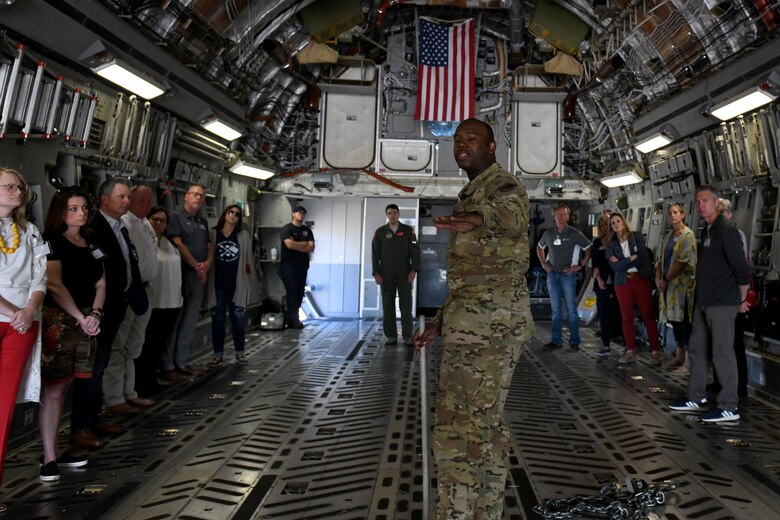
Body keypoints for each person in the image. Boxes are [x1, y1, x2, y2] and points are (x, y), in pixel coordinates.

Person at [414, 118, 534, 520]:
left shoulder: (503, 187)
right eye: (458, 139)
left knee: (461, 430)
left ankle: (457, 513)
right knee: (483, 426)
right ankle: (484, 510)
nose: (462, 144)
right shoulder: (471, 193)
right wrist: (439, 322)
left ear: (492, 146)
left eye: (472, 139)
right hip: (471, 324)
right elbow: (470, 280)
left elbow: (511, 215)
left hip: (491, 330)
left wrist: (478, 218)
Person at [70, 178, 148, 449]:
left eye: (128, 197)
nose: (127, 201)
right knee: (91, 368)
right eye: (122, 197)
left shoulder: (120, 227)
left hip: (117, 305)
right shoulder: (95, 229)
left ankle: (94, 418)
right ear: (104, 200)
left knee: (100, 366)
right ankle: (81, 426)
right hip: (97, 310)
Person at [669, 186, 750, 422]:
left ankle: (729, 406)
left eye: (705, 201)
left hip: (722, 303)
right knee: (697, 349)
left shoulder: (726, 230)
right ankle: (697, 396)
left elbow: (741, 269)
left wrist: (742, 299)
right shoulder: (707, 230)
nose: (701, 205)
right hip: (704, 302)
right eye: (698, 201)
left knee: (722, 352)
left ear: (716, 203)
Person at [39, 186, 103, 481]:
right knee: (53, 388)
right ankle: (49, 459)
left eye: (84, 208)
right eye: (73, 209)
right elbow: (54, 284)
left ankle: (55, 449)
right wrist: (81, 316)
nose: (81, 213)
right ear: (60, 212)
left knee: (66, 388)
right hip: (60, 320)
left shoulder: (90, 241)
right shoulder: (50, 241)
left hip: (87, 321)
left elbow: (102, 281)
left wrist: (95, 315)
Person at [0, 167, 47, 496]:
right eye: (9, 187)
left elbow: (40, 276)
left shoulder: (30, 232)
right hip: (10, 316)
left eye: (19, 187)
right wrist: (14, 311)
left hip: (22, 326)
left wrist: (28, 310)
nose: (17, 191)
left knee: (3, 409)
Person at [102, 185, 158, 415]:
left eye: (148, 202)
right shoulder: (123, 223)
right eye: (139, 200)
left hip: (144, 289)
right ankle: (114, 398)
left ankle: (129, 392)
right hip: (127, 290)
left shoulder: (145, 225)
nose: (144, 205)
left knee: (134, 345)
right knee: (118, 345)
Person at [163, 184, 211, 378]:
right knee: (175, 322)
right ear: (185, 197)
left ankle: (182, 362)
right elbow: (177, 243)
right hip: (181, 275)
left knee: (190, 321)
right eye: (194, 194)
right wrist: (195, 265)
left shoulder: (202, 221)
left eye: (201, 195)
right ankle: (167, 366)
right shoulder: (175, 217)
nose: (198, 198)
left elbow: (209, 246)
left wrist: (206, 264)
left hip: (199, 276)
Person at [135, 207, 183, 394]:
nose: (158, 223)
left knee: (159, 344)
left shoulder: (169, 244)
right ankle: (141, 384)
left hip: (171, 303)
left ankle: (152, 379)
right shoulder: (145, 242)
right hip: (154, 302)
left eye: (163, 220)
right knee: (147, 344)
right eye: (155, 219)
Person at [607, 212, 662, 365]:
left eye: (618, 221)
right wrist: (632, 258)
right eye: (613, 223)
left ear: (623, 222)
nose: (616, 224)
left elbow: (644, 257)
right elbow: (614, 266)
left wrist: (624, 261)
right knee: (626, 317)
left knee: (648, 315)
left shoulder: (636, 237)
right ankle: (630, 351)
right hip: (622, 282)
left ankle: (656, 352)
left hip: (640, 279)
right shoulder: (611, 244)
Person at [536, 204, 591, 351]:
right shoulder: (548, 233)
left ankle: (574, 341)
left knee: (571, 309)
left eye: (565, 214)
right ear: (554, 216)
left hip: (568, 275)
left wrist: (580, 265)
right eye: (559, 214)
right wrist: (543, 264)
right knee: (555, 310)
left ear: (568, 216)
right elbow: (539, 247)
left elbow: (588, 248)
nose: (562, 217)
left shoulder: (574, 233)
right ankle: (556, 341)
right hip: (552, 274)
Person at [711, 198, 749, 400]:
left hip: (732, 298)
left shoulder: (734, 235)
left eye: (724, 211)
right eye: (718, 210)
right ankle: (720, 382)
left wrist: (740, 299)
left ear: (730, 214)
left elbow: (740, 269)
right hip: (717, 299)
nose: (721, 214)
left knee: (734, 344)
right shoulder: (713, 234)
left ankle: (739, 388)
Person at [206, 205, 253, 367]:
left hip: (236, 284)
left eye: (237, 214)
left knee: (238, 320)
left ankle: (240, 354)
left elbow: (248, 261)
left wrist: (247, 284)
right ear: (224, 214)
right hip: (217, 283)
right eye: (230, 212)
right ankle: (217, 355)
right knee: (217, 320)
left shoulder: (243, 236)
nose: (233, 216)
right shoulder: (213, 234)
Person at [655, 203, 697, 374]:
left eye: (675, 212)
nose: (672, 215)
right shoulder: (668, 236)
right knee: (675, 321)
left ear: (682, 214)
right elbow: (660, 259)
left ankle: (689, 361)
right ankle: (679, 356)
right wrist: (658, 278)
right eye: (670, 213)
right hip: (668, 288)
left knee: (685, 322)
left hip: (682, 288)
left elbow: (683, 262)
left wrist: (665, 279)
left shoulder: (688, 235)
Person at [371, 204, 420, 346]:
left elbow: (416, 251)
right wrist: (376, 273)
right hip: (386, 274)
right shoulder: (380, 232)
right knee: (388, 304)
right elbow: (374, 254)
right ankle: (391, 335)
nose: (392, 215)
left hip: (404, 273)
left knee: (406, 304)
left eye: (394, 212)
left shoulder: (408, 231)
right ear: (387, 215)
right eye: (389, 213)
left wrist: (414, 270)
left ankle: (407, 336)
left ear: (398, 214)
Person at [279, 205, 314, 329]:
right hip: (288, 266)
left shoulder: (307, 231)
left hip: (302, 266)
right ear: (293, 214)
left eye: (303, 213)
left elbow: (311, 247)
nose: (301, 215)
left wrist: (297, 244)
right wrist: (303, 244)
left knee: (299, 292)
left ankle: (294, 317)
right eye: (298, 212)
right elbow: (289, 245)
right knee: (292, 291)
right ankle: (293, 319)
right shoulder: (286, 229)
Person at [591, 213, 619, 356]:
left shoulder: (616, 241)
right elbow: (595, 264)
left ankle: (622, 341)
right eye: (601, 225)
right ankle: (606, 344)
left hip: (616, 281)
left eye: (606, 225)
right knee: (603, 312)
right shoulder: (596, 243)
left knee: (617, 311)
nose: (604, 228)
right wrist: (599, 279)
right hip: (602, 282)